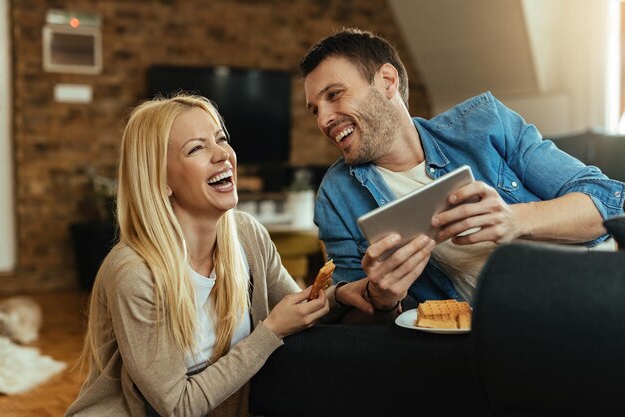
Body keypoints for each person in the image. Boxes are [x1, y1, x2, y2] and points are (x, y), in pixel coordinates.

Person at [65, 94, 378, 417]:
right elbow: (177, 407)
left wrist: (348, 295)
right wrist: (269, 332)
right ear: (161, 180)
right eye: (197, 148)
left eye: (220, 139)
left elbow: (300, 313)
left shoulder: (247, 234)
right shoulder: (136, 272)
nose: (223, 155)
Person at [299, 28, 625, 305]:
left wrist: (515, 220)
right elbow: (352, 319)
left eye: (335, 94)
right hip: (502, 334)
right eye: (315, 110)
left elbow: (608, 201)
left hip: (597, 289)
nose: (324, 119)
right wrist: (379, 299)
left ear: (387, 81)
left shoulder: (485, 124)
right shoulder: (336, 196)